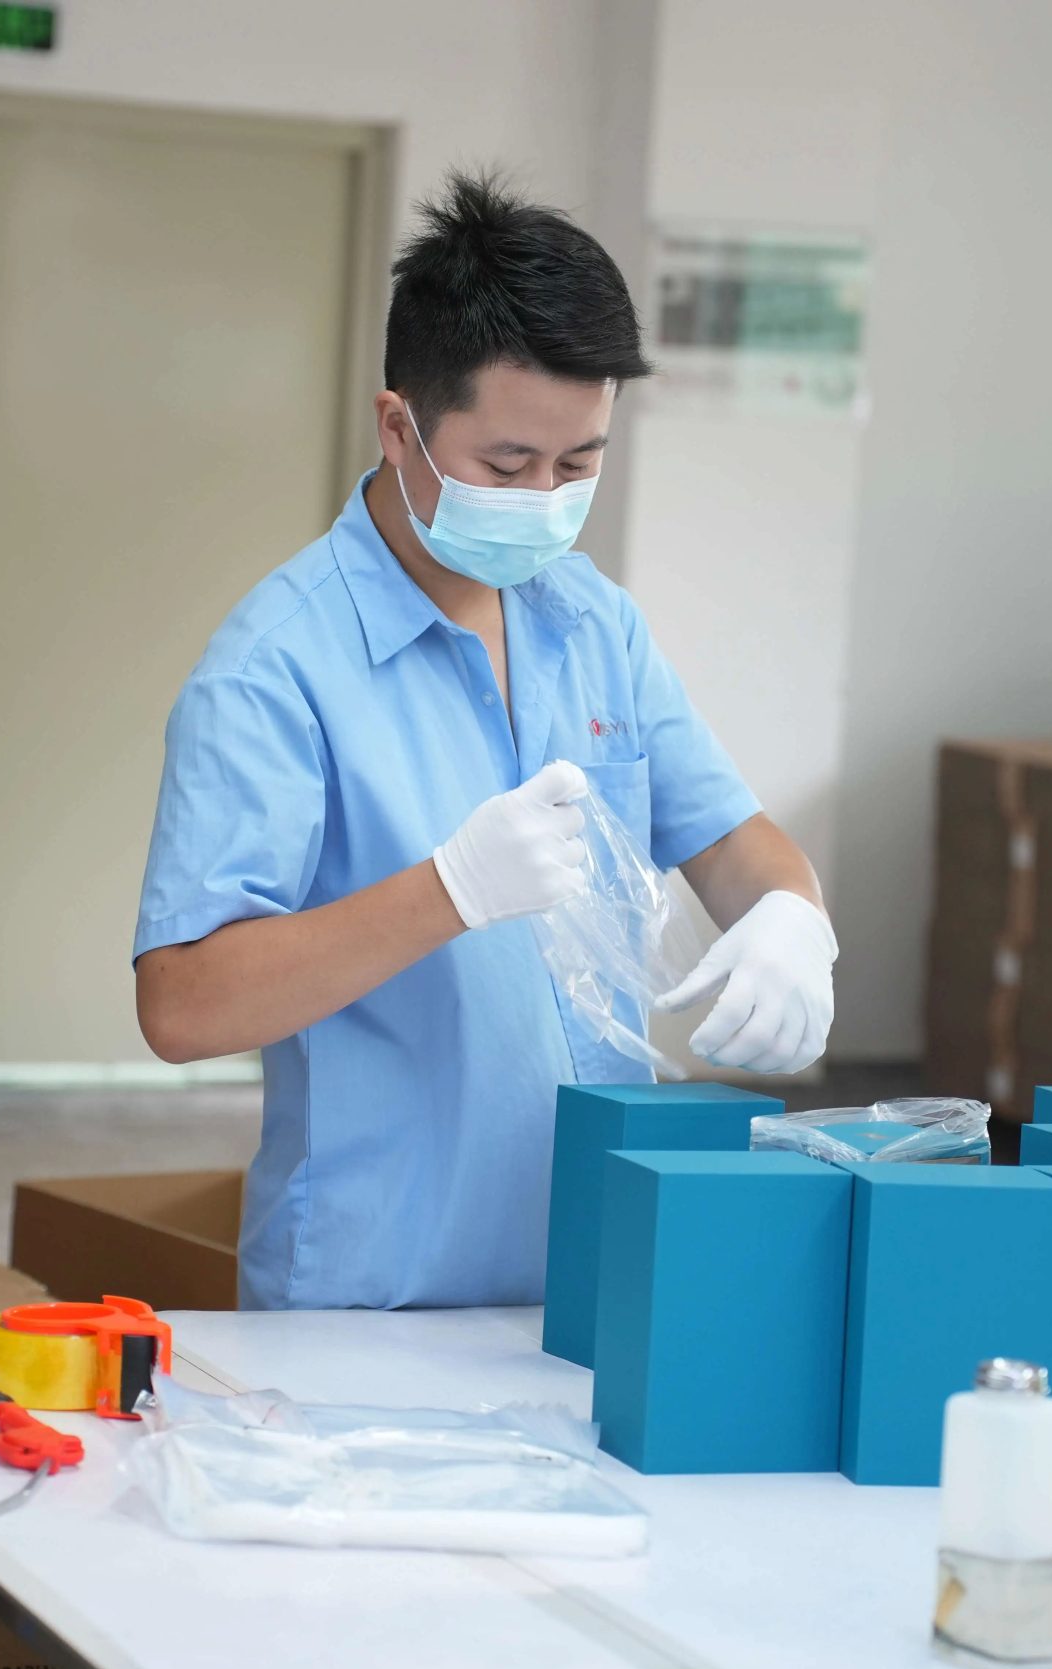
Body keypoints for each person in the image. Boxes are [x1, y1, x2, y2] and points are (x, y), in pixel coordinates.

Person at [133, 171, 837, 1310]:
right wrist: (451, 890)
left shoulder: (592, 622)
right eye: (506, 467)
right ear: (398, 423)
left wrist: (792, 919)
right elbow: (183, 1005)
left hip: (597, 1269)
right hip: (377, 1291)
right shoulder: (277, 670)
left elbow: (730, 835)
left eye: (580, 464)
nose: (545, 500)